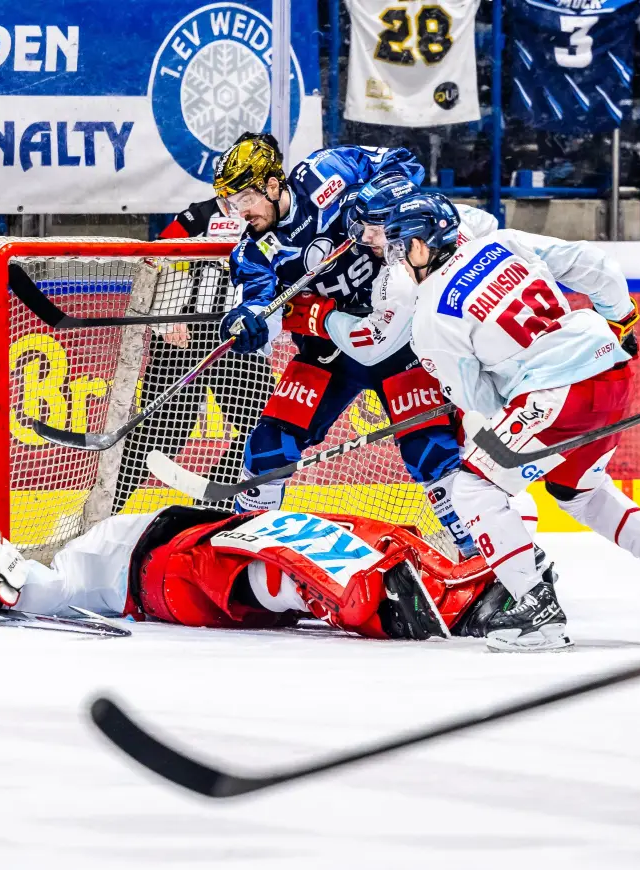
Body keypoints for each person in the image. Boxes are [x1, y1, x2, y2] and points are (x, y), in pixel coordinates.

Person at [374, 190, 640, 652]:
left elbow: (481, 402)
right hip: (611, 372)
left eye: (399, 245)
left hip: (556, 395)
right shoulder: (502, 243)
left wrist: (507, 396)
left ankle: (536, 606)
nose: (397, 258)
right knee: (576, 491)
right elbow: (592, 263)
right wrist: (621, 319)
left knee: (473, 487)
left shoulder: (430, 318)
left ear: (421, 245)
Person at [212, 133, 506, 557]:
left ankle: (481, 558)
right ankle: (245, 551)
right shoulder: (252, 251)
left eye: (245, 199)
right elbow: (259, 304)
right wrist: (249, 321)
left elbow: (407, 164)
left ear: (273, 185)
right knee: (269, 449)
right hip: (327, 354)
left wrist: (373, 196)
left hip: (400, 344)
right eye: (230, 204)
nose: (241, 212)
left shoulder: (328, 168)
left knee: (431, 452)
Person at [0, 505, 517, 642]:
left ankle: (442, 587)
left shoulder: (83, 566)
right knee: (296, 555)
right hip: (173, 563)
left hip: (165, 585)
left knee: (292, 565)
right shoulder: (96, 555)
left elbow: (52, 587)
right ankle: (437, 588)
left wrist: (1, 581)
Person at [107, 198, 268, 514]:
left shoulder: (272, 219)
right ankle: (104, 508)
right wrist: (167, 319)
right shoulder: (197, 217)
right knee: (160, 436)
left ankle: (214, 504)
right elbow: (159, 262)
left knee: (265, 429)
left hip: (238, 341)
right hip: (183, 341)